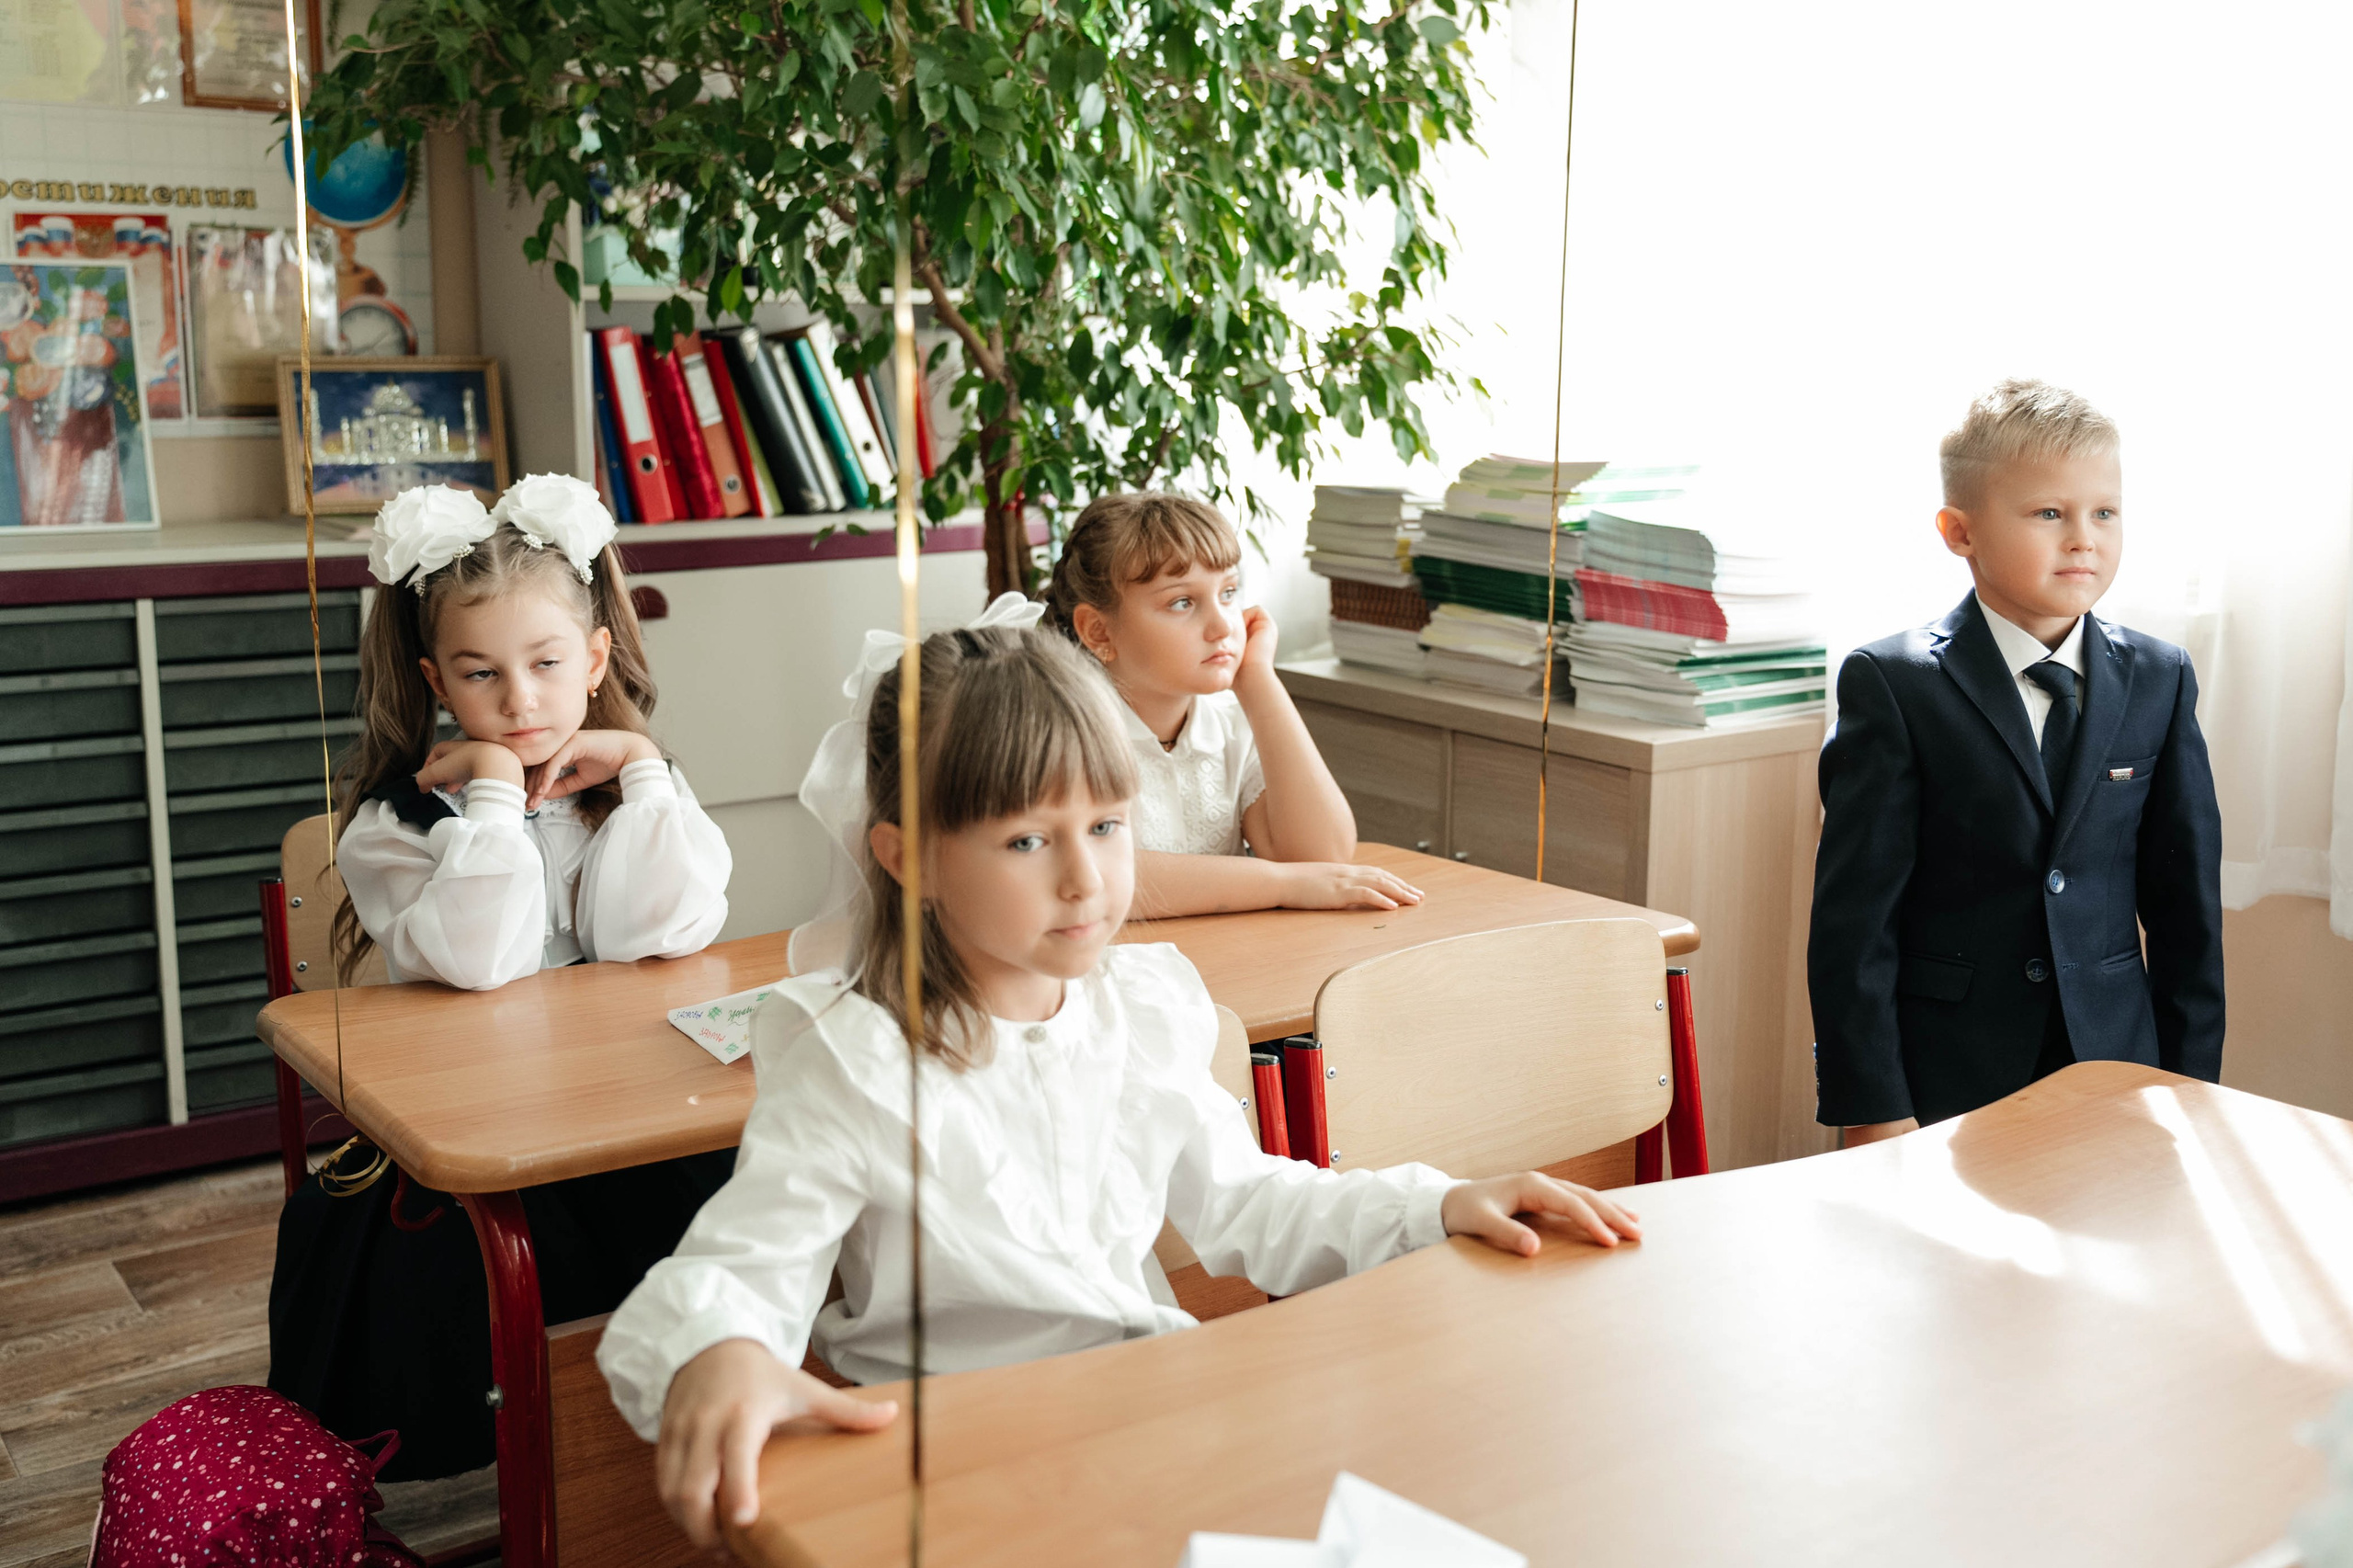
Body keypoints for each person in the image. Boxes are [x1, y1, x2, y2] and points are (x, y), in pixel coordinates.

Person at [597, 620, 1642, 1549]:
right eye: (1024, 840)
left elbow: (1251, 1203)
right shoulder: (857, 1059)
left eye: (1106, 827)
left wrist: (1441, 1201)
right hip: (960, 1473)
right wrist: (718, 1353)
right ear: (908, 856)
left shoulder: (1136, 1007)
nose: (1085, 877)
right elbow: (740, 1269)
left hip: (1146, 1425)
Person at [267, 475, 736, 1481]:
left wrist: (645, 765)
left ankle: (674, 1435)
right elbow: (482, 961)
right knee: (524, 1279)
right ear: (438, 683)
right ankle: (570, 1455)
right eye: (482, 675)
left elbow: (661, 929)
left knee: (752, 1179)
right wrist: (490, 796)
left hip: (620, 1111)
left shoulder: (630, 786)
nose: (520, 700)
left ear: (597, 658)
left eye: (548, 663)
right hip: (485, 1127)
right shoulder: (398, 823)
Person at [1809, 380, 2224, 1142]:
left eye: (2104, 512)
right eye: (2048, 513)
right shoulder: (1895, 686)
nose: (2084, 538)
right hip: (1945, 1080)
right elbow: (1853, 927)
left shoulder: (2159, 679)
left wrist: (2190, 1088)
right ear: (1959, 532)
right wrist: (1874, 1107)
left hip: (2116, 1071)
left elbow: (2184, 913)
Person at [1042, 491, 1423, 915]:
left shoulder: (1228, 720)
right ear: (1098, 632)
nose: (1223, 625)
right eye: (1182, 602)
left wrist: (1259, 682)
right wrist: (1283, 884)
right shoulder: (1059, 730)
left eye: (1228, 592)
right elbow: (1104, 876)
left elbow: (1323, 855)